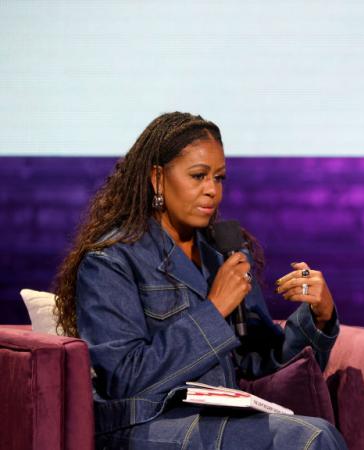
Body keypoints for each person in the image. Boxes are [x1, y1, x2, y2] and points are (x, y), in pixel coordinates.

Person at [52, 112, 348, 450]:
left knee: (311, 434)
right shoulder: (112, 260)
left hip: (215, 417)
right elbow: (124, 378)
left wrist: (319, 318)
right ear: (157, 178)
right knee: (311, 439)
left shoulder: (223, 252)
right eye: (198, 176)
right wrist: (214, 308)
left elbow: (258, 360)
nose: (212, 191)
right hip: (144, 423)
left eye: (219, 178)